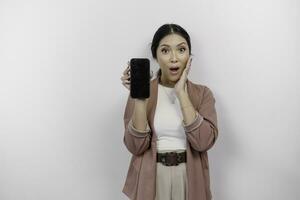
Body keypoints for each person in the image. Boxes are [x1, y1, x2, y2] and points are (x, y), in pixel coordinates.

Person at [120, 23, 219, 200]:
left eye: (181, 50)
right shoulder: (142, 94)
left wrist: (181, 93)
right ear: (156, 57)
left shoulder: (203, 94)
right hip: (151, 178)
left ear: (189, 56)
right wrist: (140, 100)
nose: (174, 58)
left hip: (189, 176)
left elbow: (203, 143)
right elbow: (135, 146)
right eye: (165, 51)